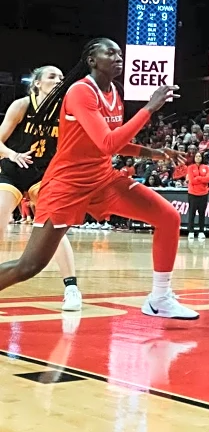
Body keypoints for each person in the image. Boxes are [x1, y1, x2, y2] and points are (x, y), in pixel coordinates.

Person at [0, 38, 198, 319]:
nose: (118, 57)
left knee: (168, 217)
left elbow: (110, 144)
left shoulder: (115, 91)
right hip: (67, 185)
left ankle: (160, 298)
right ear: (92, 60)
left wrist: (154, 153)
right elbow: (107, 143)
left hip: (103, 179)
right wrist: (149, 108)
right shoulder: (81, 92)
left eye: (120, 53)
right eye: (110, 53)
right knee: (29, 266)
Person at [0, 66, 81, 311]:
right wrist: (13, 155)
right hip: (13, 168)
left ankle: (71, 288)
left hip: (43, 174)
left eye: (60, 76)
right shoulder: (22, 105)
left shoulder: (66, 110)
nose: (58, 80)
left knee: (53, 227)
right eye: (52, 76)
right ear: (37, 83)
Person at [186, 151, 209, 241]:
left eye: (199, 156)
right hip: (192, 193)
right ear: (194, 158)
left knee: (202, 213)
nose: (198, 158)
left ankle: (201, 231)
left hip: (203, 194)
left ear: (202, 158)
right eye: (196, 156)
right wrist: (202, 179)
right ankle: (191, 231)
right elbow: (192, 180)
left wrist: (199, 178)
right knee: (192, 213)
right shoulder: (190, 167)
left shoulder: (206, 167)